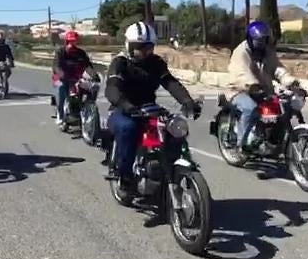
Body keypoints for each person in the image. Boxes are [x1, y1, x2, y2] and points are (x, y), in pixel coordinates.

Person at [105, 21, 202, 189]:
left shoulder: (155, 62)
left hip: (149, 107)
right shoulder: (120, 63)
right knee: (128, 128)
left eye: (149, 47)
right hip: (123, 109)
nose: (145, 51)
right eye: (140, 47)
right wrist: (125, 104)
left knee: (174, 127)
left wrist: (187, 101)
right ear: (129, 45)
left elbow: (170, 82)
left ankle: (173, 165)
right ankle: (125, 174)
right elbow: (112, 88)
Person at [227, 20, 297, 154]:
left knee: (285, 107)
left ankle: (272, 141)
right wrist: (253, 85)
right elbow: (242, 72)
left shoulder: (267, 52)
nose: (262, 43)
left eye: (264, 39)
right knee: (250, 107)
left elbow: (277, 68)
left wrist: (290, 81)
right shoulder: (241, 52)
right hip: (239, 90)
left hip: (263, 91)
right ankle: (242, 144)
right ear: (250, 39)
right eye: (258, 40)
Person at [52, 30, 100, 125]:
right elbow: (56, 66)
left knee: (92, 87)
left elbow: (87, 66)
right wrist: (61, 74)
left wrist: (94, 75)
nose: (72, 44)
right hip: (61, 77)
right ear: (66, 41)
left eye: (74, 41)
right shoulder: (60, 52)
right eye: (70, 41)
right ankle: (60, 113)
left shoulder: (81, 53)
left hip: (76, 77)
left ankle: (86, 108)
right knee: (61, 88)